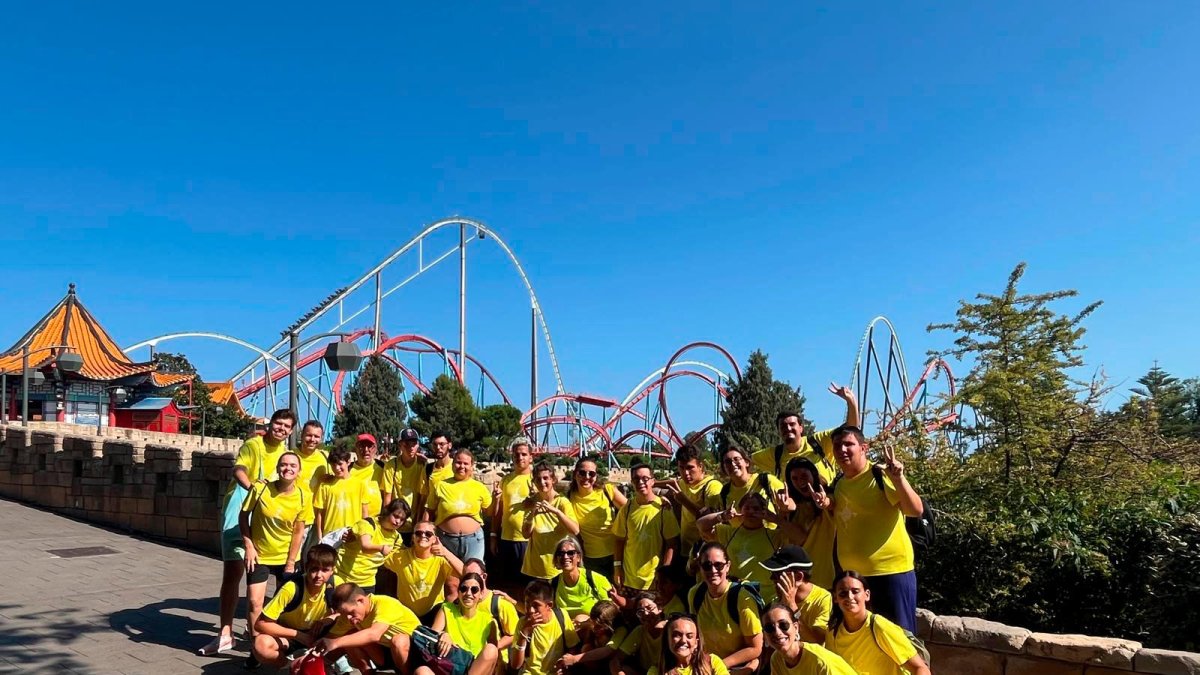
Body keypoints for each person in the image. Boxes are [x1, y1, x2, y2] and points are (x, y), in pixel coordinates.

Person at [200, 408, 295, 657]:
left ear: (291, 430)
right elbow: (239, 469)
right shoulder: (254, 444)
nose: (281, 429)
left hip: (266, 521)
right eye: (278, 423)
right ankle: (225, 633)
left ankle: (259, 633)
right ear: (271, 423)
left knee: (259, 580)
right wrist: (254, 488)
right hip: (240, 510)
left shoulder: (287, 456)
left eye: (286, 426)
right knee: (232, 573)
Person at [828, 426, 924, 632]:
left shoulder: (880, 475)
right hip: (854, 579)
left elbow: (915, 510)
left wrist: (898, 478)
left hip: (890, 573)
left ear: (864, 448)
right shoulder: (839, 484)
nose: (842, 450)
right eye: (837, 446)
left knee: (900, 640)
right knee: (866, 640)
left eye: (848, 444)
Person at [239, 451, 313, 669]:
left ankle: (279, 643)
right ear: (278, 467)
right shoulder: (261, 489)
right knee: (254, 602)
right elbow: (244, 516)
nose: (287, 468)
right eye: (283, 464)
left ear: (299, 471)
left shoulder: (303, 496)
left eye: (292, 465)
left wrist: (291, 562)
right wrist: (248, 545)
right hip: (260, 554)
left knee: (284, 606)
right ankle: (256, 647)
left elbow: (298, 532)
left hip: (286, 557)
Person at [824, 572, 931, 675]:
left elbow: (920, 668)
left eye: (855, 591)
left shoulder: (879, 627)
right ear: (835, 598)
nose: (849, 597)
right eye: (843, 593)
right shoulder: (833, 632)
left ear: (867, 595)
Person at [251, 543, 338, 668]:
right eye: (314, 569)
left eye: (325, 570)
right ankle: (291, 666)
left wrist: (327, 620)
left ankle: (325, 664)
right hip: (290, 635)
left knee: (354, 628)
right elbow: (261, 624)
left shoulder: (335, 585)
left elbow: (346, 613)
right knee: (261, 646)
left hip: (319, 634)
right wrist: (299, 635)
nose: (319, 575)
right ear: (306, 567)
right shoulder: (291, 588)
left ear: (332, 570)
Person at [751, 385, 859, 484]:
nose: (788, 428)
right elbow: (744, 461)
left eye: (792, 424)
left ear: (801, 427)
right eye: (783, 426)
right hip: (796, 505)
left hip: (828, 501)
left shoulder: (818, 441)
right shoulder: (774, 454)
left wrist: (850, 401)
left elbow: (851, 429)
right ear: (778, 430)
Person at [688, 542, 762, 675]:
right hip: (705, 667)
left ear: (728, 566)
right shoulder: (695, 594)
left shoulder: (741, 597)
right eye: (707, 566)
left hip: (733, 669)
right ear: (700, 567)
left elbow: (755, 647)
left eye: (718, 565)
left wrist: (717, 667)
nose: (713, 571)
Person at [316, 583, 422, 674]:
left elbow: (374, 635)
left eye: (351, 612)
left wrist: (336, 642)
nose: (348, 618)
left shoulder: (384, 603)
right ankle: (368, 673)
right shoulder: (348, 617)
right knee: (349, 636)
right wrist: (311, 658)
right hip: (385, 652)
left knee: (399, 640)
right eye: (344, 614)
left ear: (361, 600)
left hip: (413, 652)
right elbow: (328, 640)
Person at [697, 492, 781, 602]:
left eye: (756, 509)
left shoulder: (775, 535)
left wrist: (775, 519)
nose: (751, 512)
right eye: (747, 508)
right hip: (735, 594)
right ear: (740, 510)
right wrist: (723, 515)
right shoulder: (727, 533)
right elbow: (701, 525)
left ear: (763, 511)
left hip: (766, 597)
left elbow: (799, 537)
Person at [613, 463, 680, 592]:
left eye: (645, 478)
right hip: (629, 579)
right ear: (632, 482)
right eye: (636, 479)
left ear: (653, 481)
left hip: (653, 580)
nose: (641, 482)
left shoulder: (663, 508)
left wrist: (664, 573)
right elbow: (619, 540)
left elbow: (671, 543)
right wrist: (617, 569)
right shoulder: (626, 509)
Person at [384, 520, 465, 625]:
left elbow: (465, 572)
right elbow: (378, 559)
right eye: (418, 533)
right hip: (407, 612)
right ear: (413, 537)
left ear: (434, 539)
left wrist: (445, 552)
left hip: (433, 612)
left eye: (428, 534)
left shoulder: (440, 560)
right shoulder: (401, 557)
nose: (423, 536)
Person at [419, 572, 501, 675]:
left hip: (474, 669)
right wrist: (443, 634)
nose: (468, 593)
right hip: (449, 665)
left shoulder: (488, 620)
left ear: (481, 594)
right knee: (421, 671)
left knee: (491, 649)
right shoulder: (447, 609)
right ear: (458, 592)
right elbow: (432, 636)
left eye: (474, 590)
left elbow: (493, 661)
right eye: (464, 589)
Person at [425, 448, 492, 565]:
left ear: (472, 466)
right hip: (445, 539)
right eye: (458, 462)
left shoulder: (480, 487)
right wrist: (424, 532)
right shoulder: (441, 485)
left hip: (474, 540)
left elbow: (490, 512)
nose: (462, 466)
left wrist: (496, 498)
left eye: (466, 463)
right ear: (452, 465)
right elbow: (429, 511)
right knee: (451, 581)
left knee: (473, 575)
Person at [565, 455, 627, 578]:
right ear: (575, 474)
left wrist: (658, 501)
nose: (586, 477)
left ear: (596, 476)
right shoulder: (568, 498)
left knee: (617, 593)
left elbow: (631, 510)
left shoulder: (607, 490)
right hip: (589, 558)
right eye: (582, 473)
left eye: (591, 474)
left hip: (616, 554)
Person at [659, 444, 722, 558]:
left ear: (701, 466)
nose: (685, 473)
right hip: (685, 552)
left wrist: (684, 501)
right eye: (681, 468)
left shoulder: (712, 487)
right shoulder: (685, 484)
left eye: (690, 468)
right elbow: (673, 483)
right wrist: (650, 483)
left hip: (704, 554)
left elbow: (711, 520)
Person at [333, 498, 409, 593]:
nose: (398, 521)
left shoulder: (397, 538)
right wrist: (381, 548)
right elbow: (365, 546)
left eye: (402, 519)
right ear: (387, 512)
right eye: (396, 516)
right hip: (343, 577)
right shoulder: (368, 524)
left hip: (367, 583)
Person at [521, 461, 581, 580]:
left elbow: (575, 530)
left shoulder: (562, 502)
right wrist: (532, 514)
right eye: (538, 479)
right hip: (535, 566)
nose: (542, 482)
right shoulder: (532, 502)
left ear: (553, 480)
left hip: (556, 567)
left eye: (546, 478)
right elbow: (526, 534)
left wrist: (556, 512)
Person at [782, 459, 836, 590]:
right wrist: (784, 511)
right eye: (794, 478)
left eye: (804, 476)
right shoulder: (791, 505)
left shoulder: (830, 495)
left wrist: (824, 502)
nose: (800, 482)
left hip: (828, 578)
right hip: (800, 579)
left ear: (814, 475)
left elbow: (830, 503)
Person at [761, 546, 832, 644]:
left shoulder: (823, 599)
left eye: (777, 574)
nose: (771, 578)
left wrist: (791, 606)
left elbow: (816, 642)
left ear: (798, 577)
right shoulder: (776, 599)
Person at [760, 603, 856, 675]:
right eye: (769, 628)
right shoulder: (777, 659)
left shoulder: (820, 662)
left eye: (783, 625)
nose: (777, 632)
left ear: (796, 627)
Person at [706, 445, 787, 529]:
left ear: (746, 462)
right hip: (740, 540)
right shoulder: (724, 493)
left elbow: (790, 507)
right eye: (727, 462)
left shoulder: (766, 481)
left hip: (772, 539)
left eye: (736, 459)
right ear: (724, 468)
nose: (733, 464)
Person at [511, 580, 580, 675]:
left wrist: (564, 666)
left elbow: (572, 647)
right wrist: (524, 634)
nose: (531, 610)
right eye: (527, 603)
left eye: (536, 605)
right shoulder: (523, 623)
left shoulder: (561, 616)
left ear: (549, 605)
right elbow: (516, 665)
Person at [491, 436, 535, 585]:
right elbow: (498, 512)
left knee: (528, 585)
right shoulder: (506, 480)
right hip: (507, 540)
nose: (519, 457)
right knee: (508, 584)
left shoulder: (537, 480)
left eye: (523, 454)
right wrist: (493, 535)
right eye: (516, 454)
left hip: (529, 541)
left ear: (531, 457)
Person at [382, 428, 428, 546]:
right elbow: (387, 496)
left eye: (414, 444)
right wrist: (388, 521)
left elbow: (422, 498)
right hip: (395, 523)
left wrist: (418, 524)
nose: (411, 447)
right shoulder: (392, 465)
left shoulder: (422, 465)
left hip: (413, 524)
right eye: (407, 444)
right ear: (400, 445)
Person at [550, 535, 614, 620]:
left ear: (579, 557)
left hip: (595, 626)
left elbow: (610, 609)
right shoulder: (554, 583)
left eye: (570, 553)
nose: (565, 557)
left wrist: (589, 623)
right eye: (561, 554)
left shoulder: (595, 578)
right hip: (566, 628)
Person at [314, 447, 369, 540]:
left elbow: (364, 513)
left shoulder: (360, 484)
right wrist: (320, 536)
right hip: (330, 534)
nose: (337, 468)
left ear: (348, 462)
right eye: (333, 465)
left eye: (340, 464)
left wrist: (363, 534)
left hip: (352, 534)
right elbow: (320, 514)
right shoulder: (325, 485)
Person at [648, 613, 728, 675]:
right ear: (667, 640)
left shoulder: (712, 662)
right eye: (676, 635)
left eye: (689, 636)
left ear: (696, 642)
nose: (683, 640)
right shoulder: (656, 671)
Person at [557, 600, 623, 674]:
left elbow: (607, 650)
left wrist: (574, 659)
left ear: (610, 624)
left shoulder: (621, 630)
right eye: (593, 624)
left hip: (612, 662)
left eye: (598, 626)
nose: (594, 628)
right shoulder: (593, 627)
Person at [614, 592, 669, 675]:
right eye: (640, 612)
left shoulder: (670, 629)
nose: (645, 614)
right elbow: (617, 658)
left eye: (649, 608)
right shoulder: (640, 630)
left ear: (660, 608)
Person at [350, 433, 386, 519]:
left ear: (375, 449)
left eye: (370, 446)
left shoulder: (384, 468)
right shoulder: (347, 469)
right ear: (356, 449)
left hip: (377, 522)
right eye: (362, 446)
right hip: (352, 521)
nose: (366, 450)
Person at [423, 431, 456, 508]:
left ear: (449, 445)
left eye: (442, 444)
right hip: (433, 517)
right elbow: (423, 498)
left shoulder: (457, 468)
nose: (438, 448)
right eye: (435, 444)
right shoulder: (428, 469)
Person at [297, 419, 330, 494]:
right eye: (309, 435)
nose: (312, 439)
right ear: (302, 435)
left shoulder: (326, 457)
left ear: (321, 438)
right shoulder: (290, 456)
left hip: (317, 505)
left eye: (316, 436)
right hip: (295, 504)